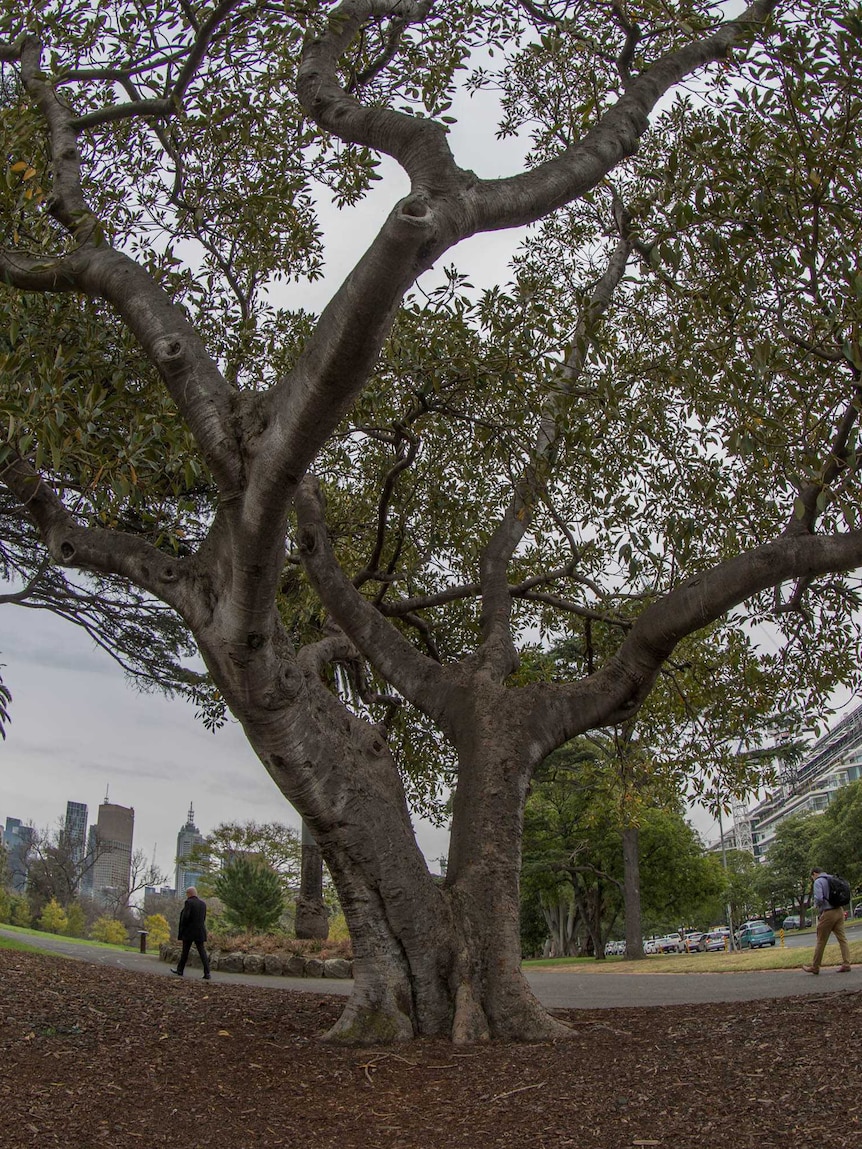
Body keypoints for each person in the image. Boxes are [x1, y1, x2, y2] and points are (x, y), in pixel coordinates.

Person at [802, 868, 852, 975]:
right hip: (839, 910)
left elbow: (819, 898)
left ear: (814, 874)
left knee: (821, 940)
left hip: (828, 912)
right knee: (842, 938)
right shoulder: (831, 878)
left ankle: (815, 966)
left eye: (812, 877)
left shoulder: (818, 882)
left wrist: (817, 907)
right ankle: (846, 963)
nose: (812, 878)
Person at [171, 886, 211, 980]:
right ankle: (207, 972)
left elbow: (186, 917)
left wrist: (183, 928)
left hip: (189, 931)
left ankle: (180, 970)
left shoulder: (188, 903)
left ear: (189, 894)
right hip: (200, 931)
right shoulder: (203, 904)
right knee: (202, 952)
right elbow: (203, 918)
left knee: (185, 952)